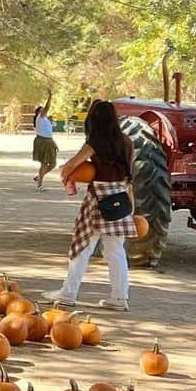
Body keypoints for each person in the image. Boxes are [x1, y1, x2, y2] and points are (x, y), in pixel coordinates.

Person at [53, 99, 136, 311]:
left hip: (98, 200)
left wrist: (65, 172)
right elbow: (130, 175)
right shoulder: (126, 142)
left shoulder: (95, 143)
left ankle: (68, 294)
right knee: (116, 250)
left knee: (83, 247)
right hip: (120, 199)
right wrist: (132, 207)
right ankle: (119, 297)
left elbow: (74, 163)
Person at [32, 89, 59, 188]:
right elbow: (47, 107)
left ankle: (39, 177)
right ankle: (39, 184)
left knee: (52, 163)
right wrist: (50, 96)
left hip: (47, 140)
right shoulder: (41, 116)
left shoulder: (44, 119)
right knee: (45, 163)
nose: (45, 110)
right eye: (42, 109)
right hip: (44, 141)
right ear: (39, 111)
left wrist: (50, 121)